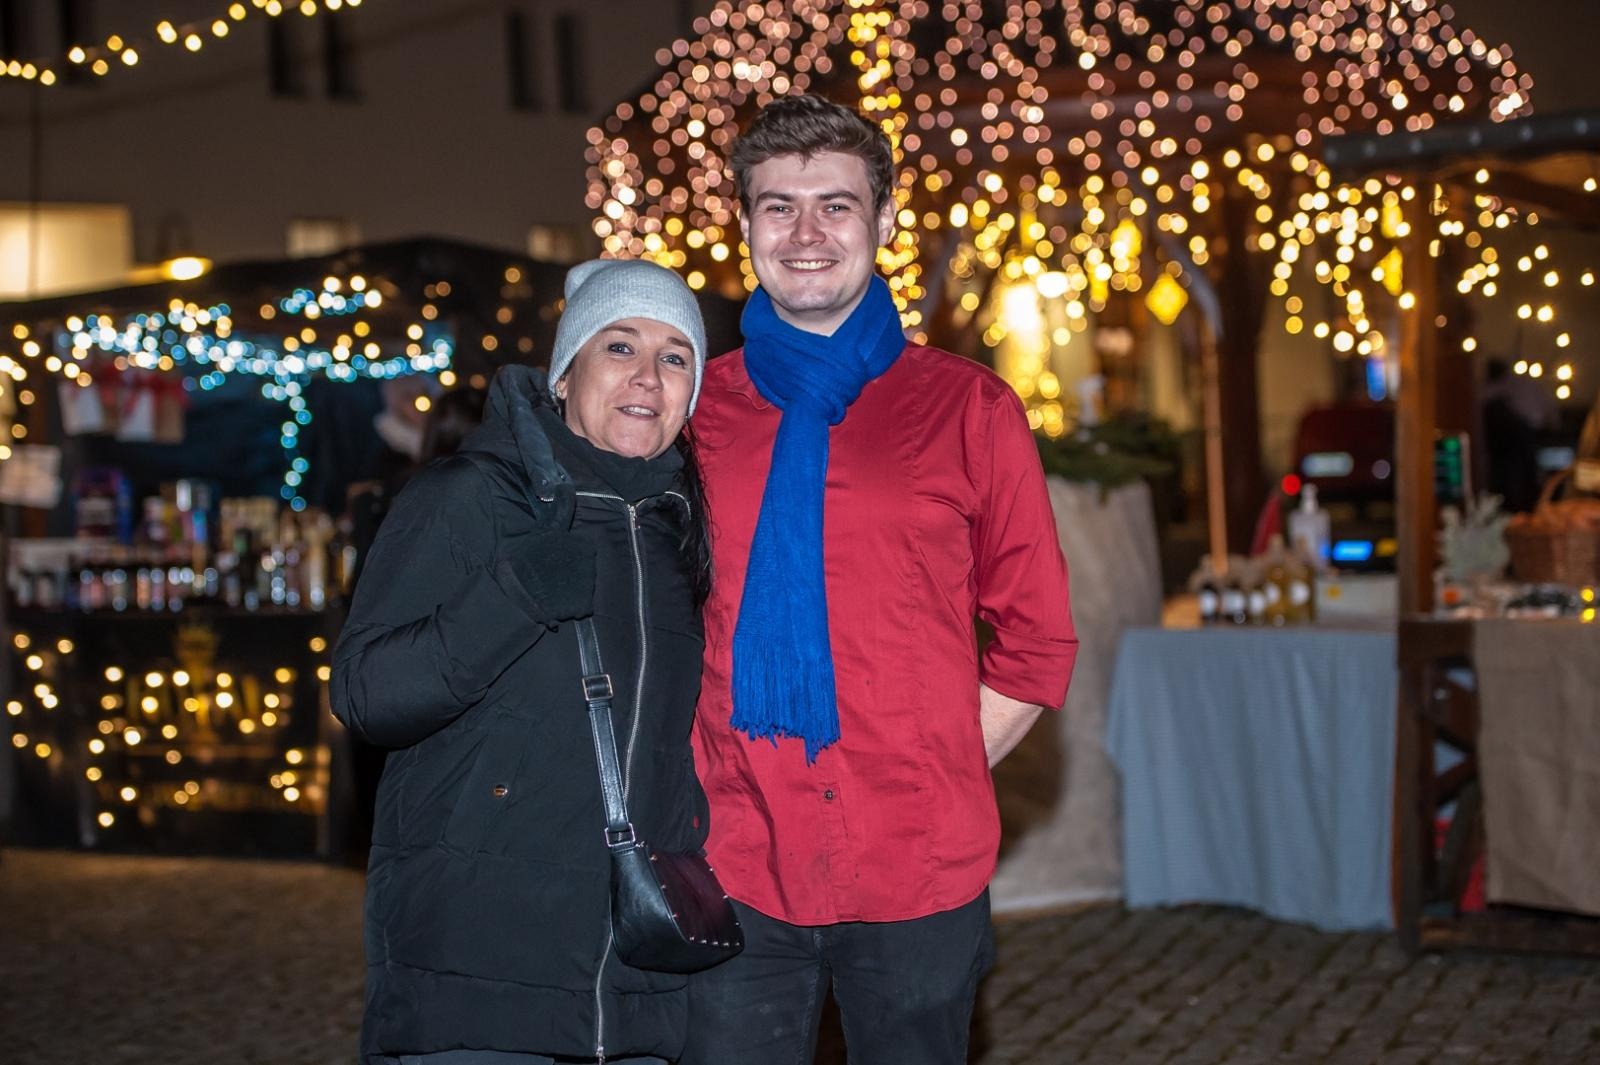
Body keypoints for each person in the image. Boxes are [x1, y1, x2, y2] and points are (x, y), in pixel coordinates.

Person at [681, 95, 1079, 1065]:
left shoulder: (969, 409)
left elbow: (1035, 642)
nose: (806, 233)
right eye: (778, 207)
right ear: (744, 228)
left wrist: (932, 754)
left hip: (917, 863)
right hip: (731, 854)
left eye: (836, 205)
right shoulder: (690, 410)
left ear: (885, 224)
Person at [331, 258, 713, 1065]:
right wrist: (511, 595)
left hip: (639, 978)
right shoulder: (468, 495)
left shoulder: (683, 533)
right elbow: (366, 693)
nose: (648, 375)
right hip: (481, 974)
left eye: (675, 357)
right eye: (619, 346)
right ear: (566, 371)